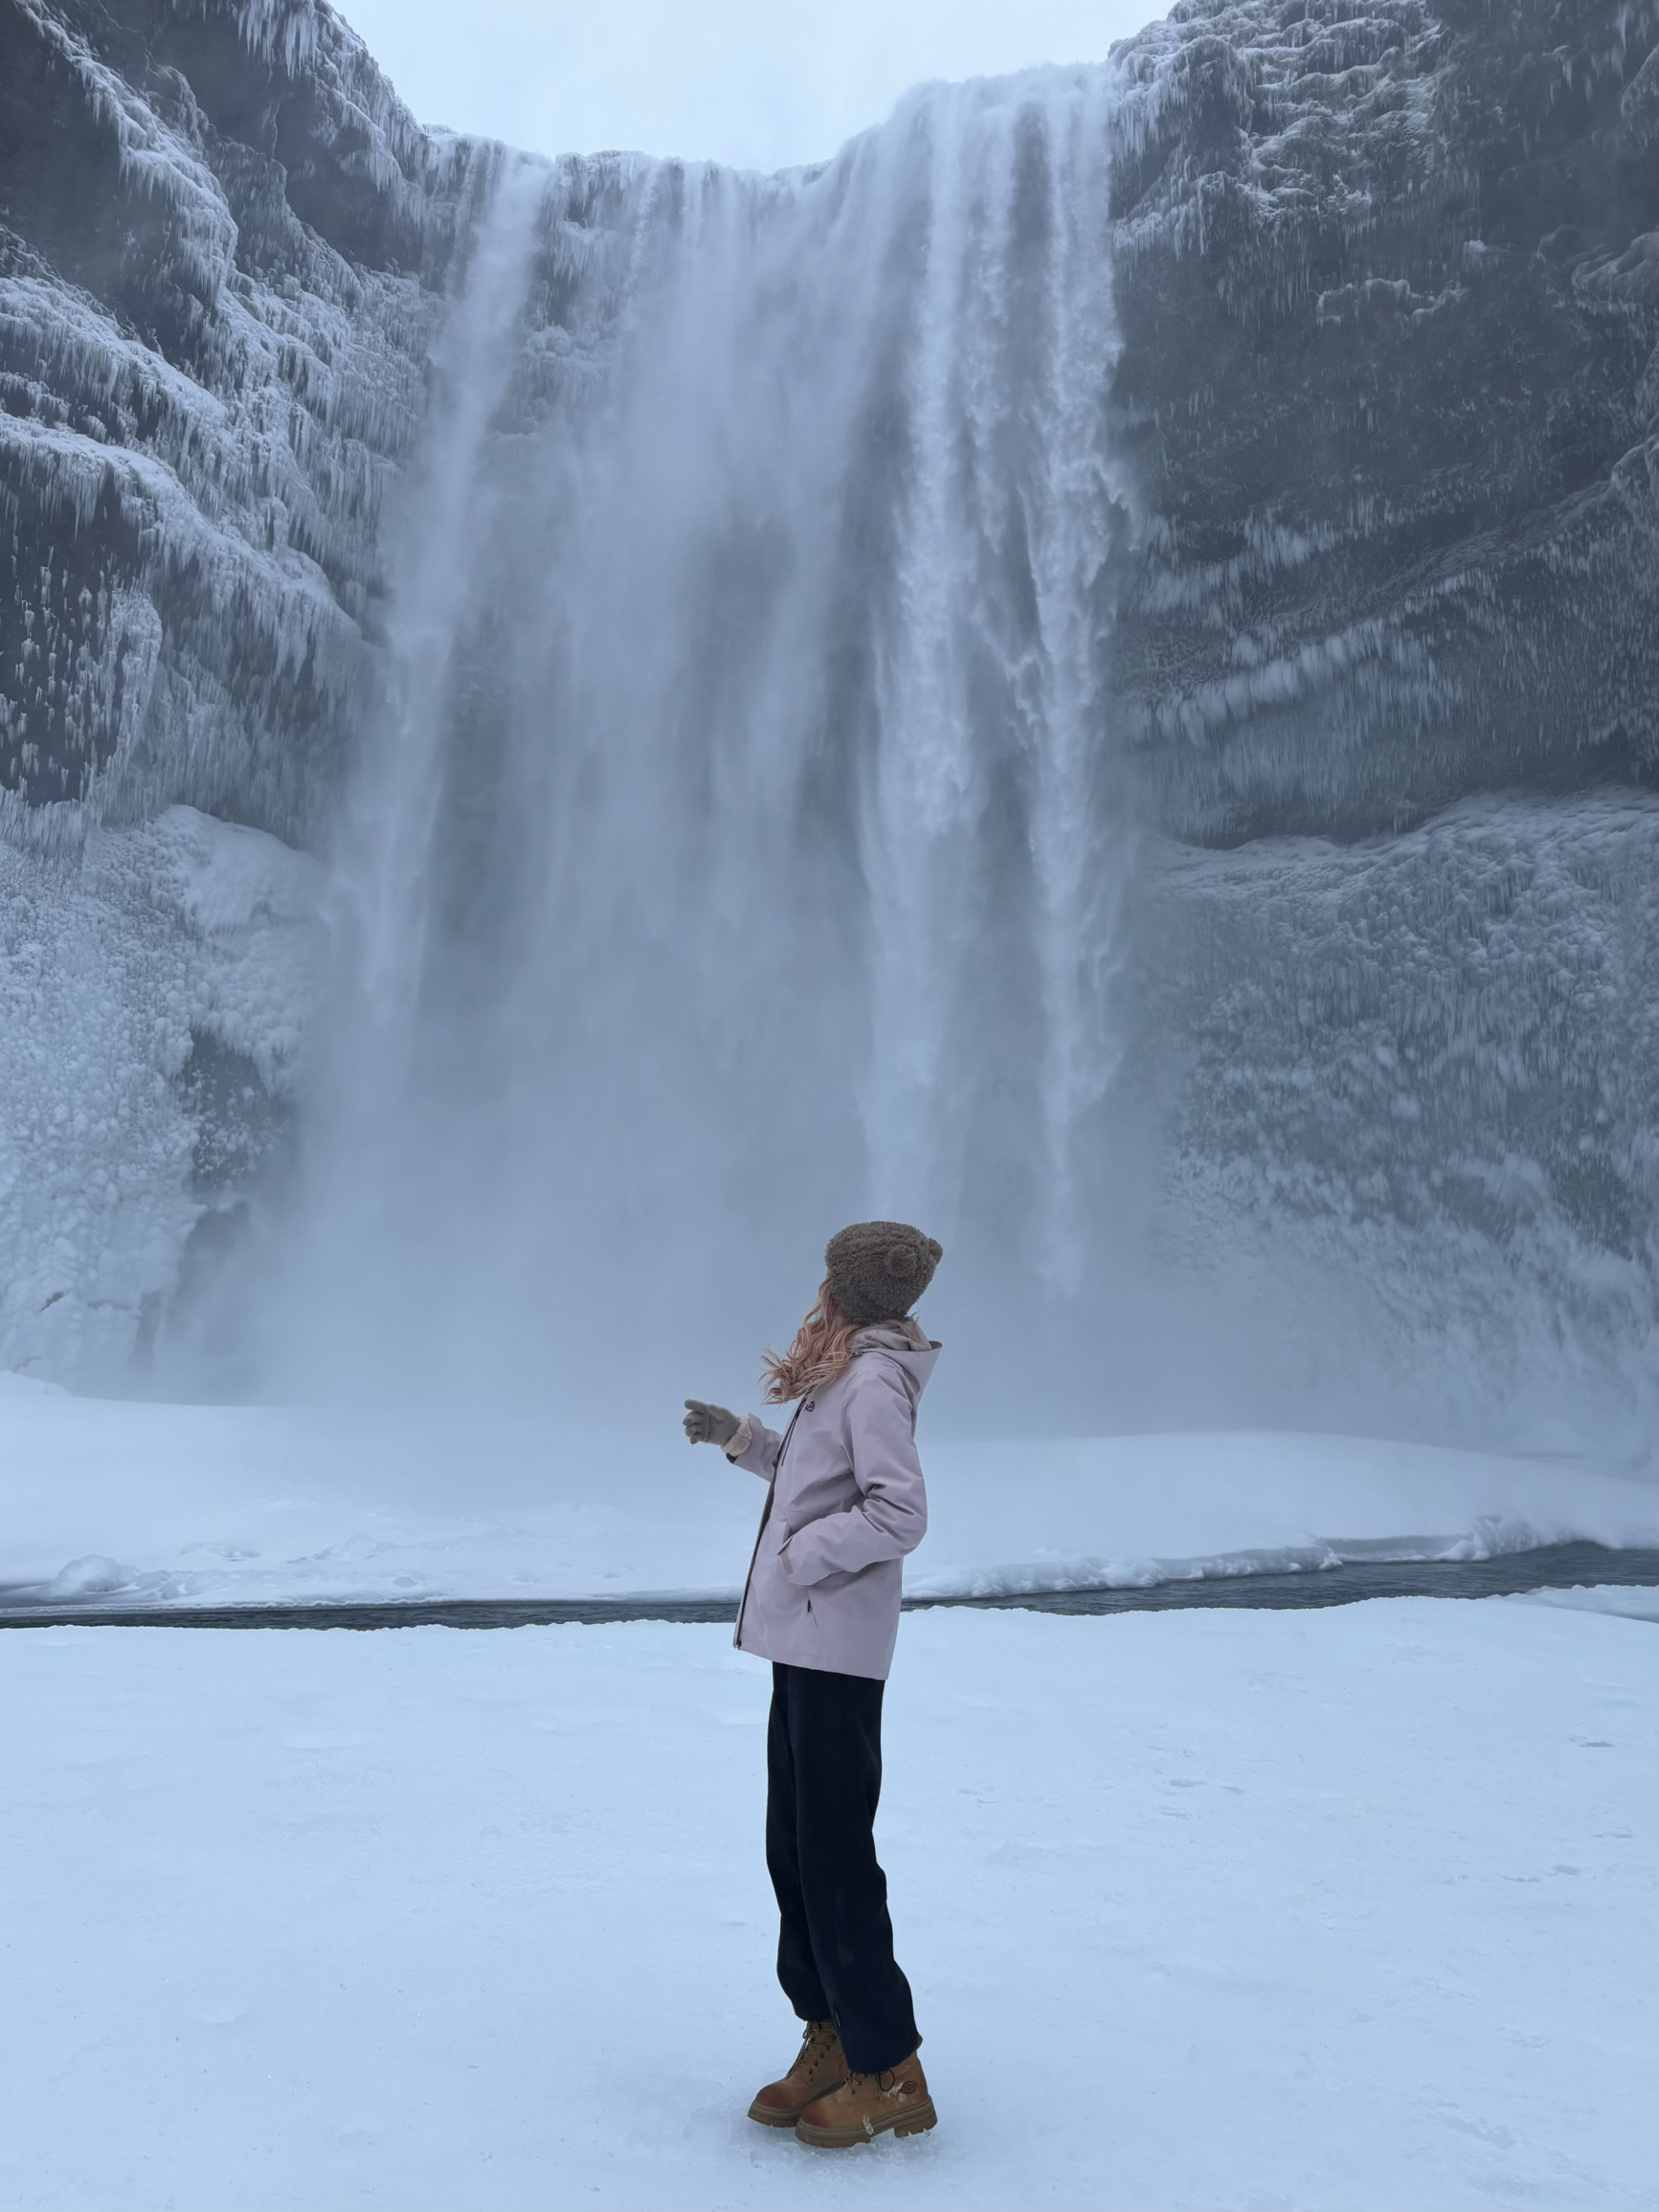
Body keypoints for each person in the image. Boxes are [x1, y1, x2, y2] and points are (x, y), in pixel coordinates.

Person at [683, 1219, 943, 2151]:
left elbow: (896, 1510)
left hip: (835, 1647)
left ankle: (889, 2070)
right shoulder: (847, 1368)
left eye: (827, 1280)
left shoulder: (871, 1379)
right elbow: (815, 1474)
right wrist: (743, 1439)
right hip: (807, 1643)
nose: (816, 1293)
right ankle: (828, 2034)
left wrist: (800, 1553)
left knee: (832, 1859)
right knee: (793, 1850)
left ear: (852, 1293)